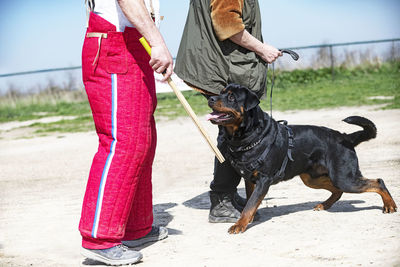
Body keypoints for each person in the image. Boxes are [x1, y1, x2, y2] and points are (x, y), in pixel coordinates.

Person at [79, 0, 173, 265]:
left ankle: (136, 228)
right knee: (124, 141)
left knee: (143, 141)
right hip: (113, 43)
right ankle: (99, 238)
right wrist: (158, 42)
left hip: (133, 42)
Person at [175, 0, 282, 223]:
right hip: (220, 67)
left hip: (221, 64)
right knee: (232, 135)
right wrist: (262, 49)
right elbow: (227, 25)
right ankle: (221, 201)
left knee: (234, 133)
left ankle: (228, 195)